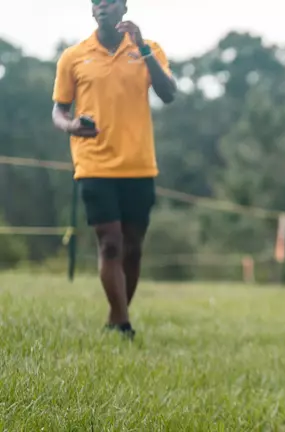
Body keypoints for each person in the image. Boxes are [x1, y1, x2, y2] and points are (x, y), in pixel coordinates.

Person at [51, 0, 176, 339]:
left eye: (109, 2)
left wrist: (144, 48)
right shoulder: (74, 56)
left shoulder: (149, 49)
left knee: (133, 247)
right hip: (94, 163)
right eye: (97, 3)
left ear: (123, 8)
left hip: (139, 164)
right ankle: (123, 324)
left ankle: (115, 315)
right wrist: (72, 126)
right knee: (110, 243)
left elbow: (168, 94)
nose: (102, 7)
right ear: (92, 11)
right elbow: (59, 110)